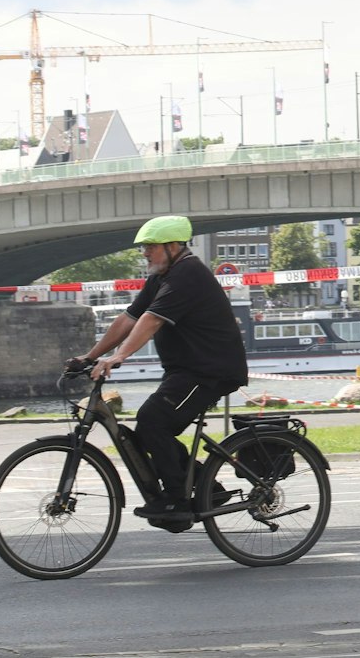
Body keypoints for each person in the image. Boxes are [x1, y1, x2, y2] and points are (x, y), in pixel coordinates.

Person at [71, 215, 250, 526]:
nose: (145, 253)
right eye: (144, 248)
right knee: (147, 429)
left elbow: (151, 322)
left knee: (153, 422)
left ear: (171, 247)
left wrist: (119, 357)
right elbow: (129, 319)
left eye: (150, 247)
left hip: (209, 371)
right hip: (186, 371)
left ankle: (178, 502)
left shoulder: (187, 274)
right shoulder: (161, 276)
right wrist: (90, 356)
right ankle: (211, 488)